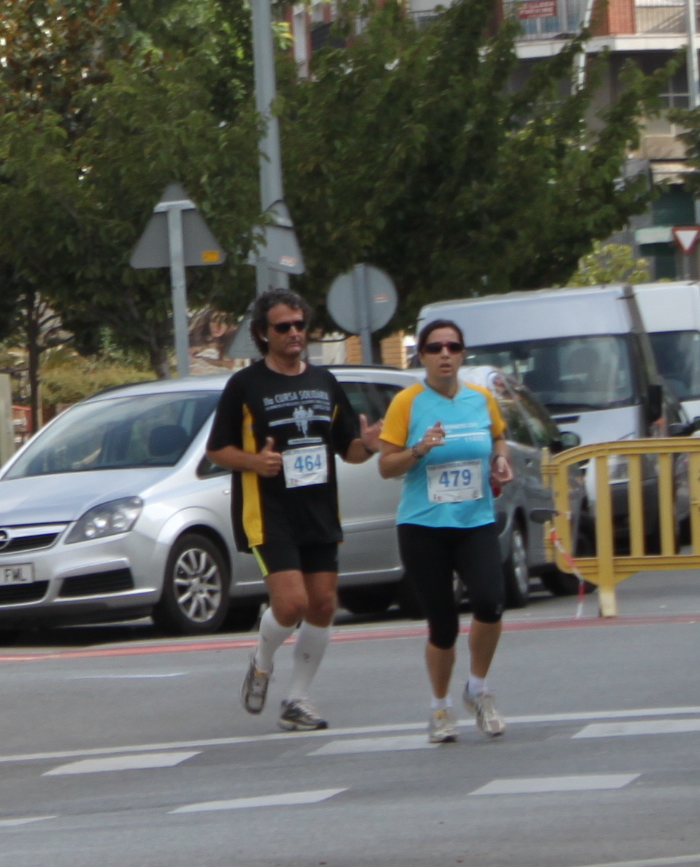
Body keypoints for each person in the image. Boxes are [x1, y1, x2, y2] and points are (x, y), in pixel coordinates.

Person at [202, 286, 376, 731]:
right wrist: (254, 462)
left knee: (322, 604)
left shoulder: (324, 382)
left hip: (318, 509)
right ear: (263, 333)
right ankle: (261, 660)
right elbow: (217, 449)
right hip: (269, 512)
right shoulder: (245, 385)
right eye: (284, 327)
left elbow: (348, 450)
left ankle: (297, 699)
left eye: (300, 325)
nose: (295, 333)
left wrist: (370, 445)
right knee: (292, 603)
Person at [378, 317, 517, 744]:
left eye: (453, 348)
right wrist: (419, 449)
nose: (445, 355)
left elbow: (497, 438)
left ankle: (478, 689)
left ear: (461, 355)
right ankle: (440, 708)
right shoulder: (407, 403)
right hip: (423, 526)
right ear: (421, 356)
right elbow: (386, 466)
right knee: (443, 625)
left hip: (474, 521)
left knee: (491, 603)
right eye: (435, 348)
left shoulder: (480, 399)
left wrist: (500, 459)